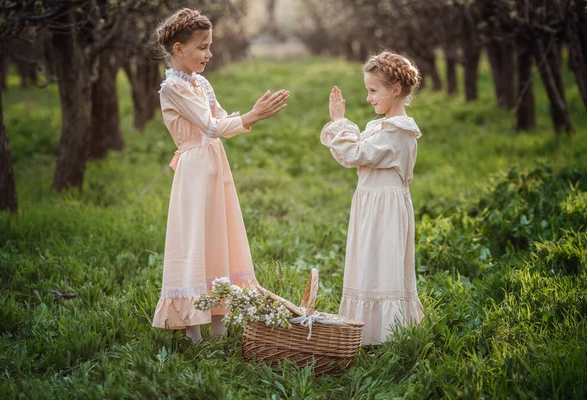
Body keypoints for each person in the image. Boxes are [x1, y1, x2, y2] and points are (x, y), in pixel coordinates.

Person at [151, 8, 289, 343]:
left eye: (209, 45)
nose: (209, 53)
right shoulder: (172, 88)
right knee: (196, 238)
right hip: (195, 171)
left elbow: (224, 123)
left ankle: (218, 324)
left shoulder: (201, 83)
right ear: (179, 49)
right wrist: (252, 116)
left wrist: (251, 116)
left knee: (218, 237)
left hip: (216, 166)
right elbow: (210, 126)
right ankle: (193, 329)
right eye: (201, 47)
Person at [320, 51, 424, 345]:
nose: (368, 98)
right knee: (368, 260)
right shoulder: (379, 127)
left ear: (395, 90)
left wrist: (339, 122)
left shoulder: (398, 131)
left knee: (383, 261)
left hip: (385, 207)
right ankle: (366, 328)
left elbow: (354, 153)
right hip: (370, 202)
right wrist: (344, 125)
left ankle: (387, 333)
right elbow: (359, 146)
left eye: (373, 90)